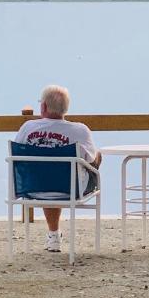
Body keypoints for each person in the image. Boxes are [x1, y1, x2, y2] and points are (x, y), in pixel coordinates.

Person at [14, 84, 101, 252]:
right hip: (71, 190)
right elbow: (90, 160)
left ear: (44, 106)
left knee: (46, 172)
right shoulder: (80, 130)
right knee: (93, 157)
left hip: (33, 188)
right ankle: (54, 235)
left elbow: (17, 155)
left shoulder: (28, 128)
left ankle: (53, 235)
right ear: (66, 108)